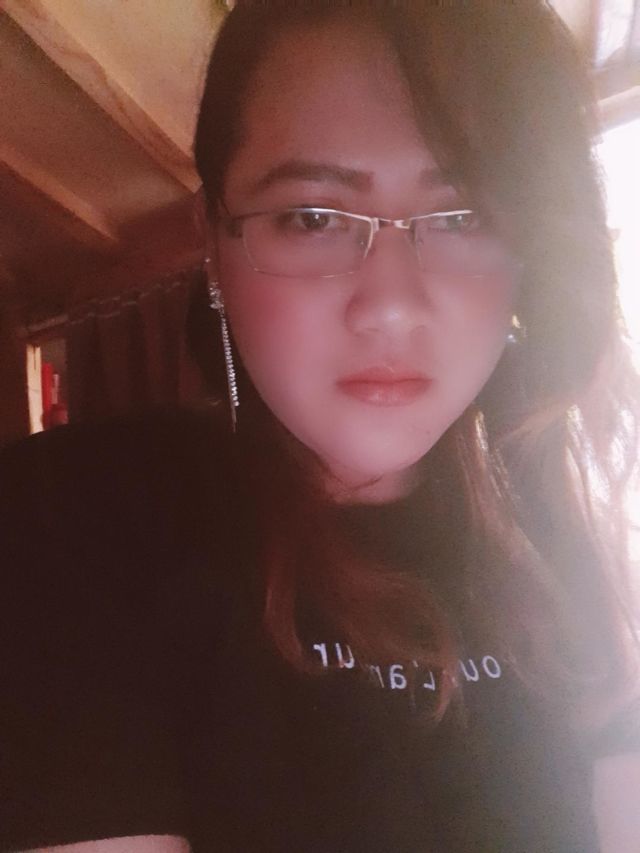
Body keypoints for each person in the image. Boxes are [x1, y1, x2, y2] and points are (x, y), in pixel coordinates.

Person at [1, 2, 639, 851]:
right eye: (311, 217)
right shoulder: (76, 518)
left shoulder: (556, 543)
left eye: (462, 215)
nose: (390, 306)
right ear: (213, 244)